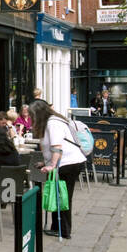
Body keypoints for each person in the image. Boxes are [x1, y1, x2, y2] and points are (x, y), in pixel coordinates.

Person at [30, 98, 87, 239]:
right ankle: (57, 227)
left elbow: (57, 147)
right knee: (59, 195)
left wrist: (52, 165)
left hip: (68, 163)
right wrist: (46, 162)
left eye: (33, 115)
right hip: (69, 162)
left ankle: (64, 230)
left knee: (63, 196)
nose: (32, 118)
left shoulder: (52, 123)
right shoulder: (53, 121)